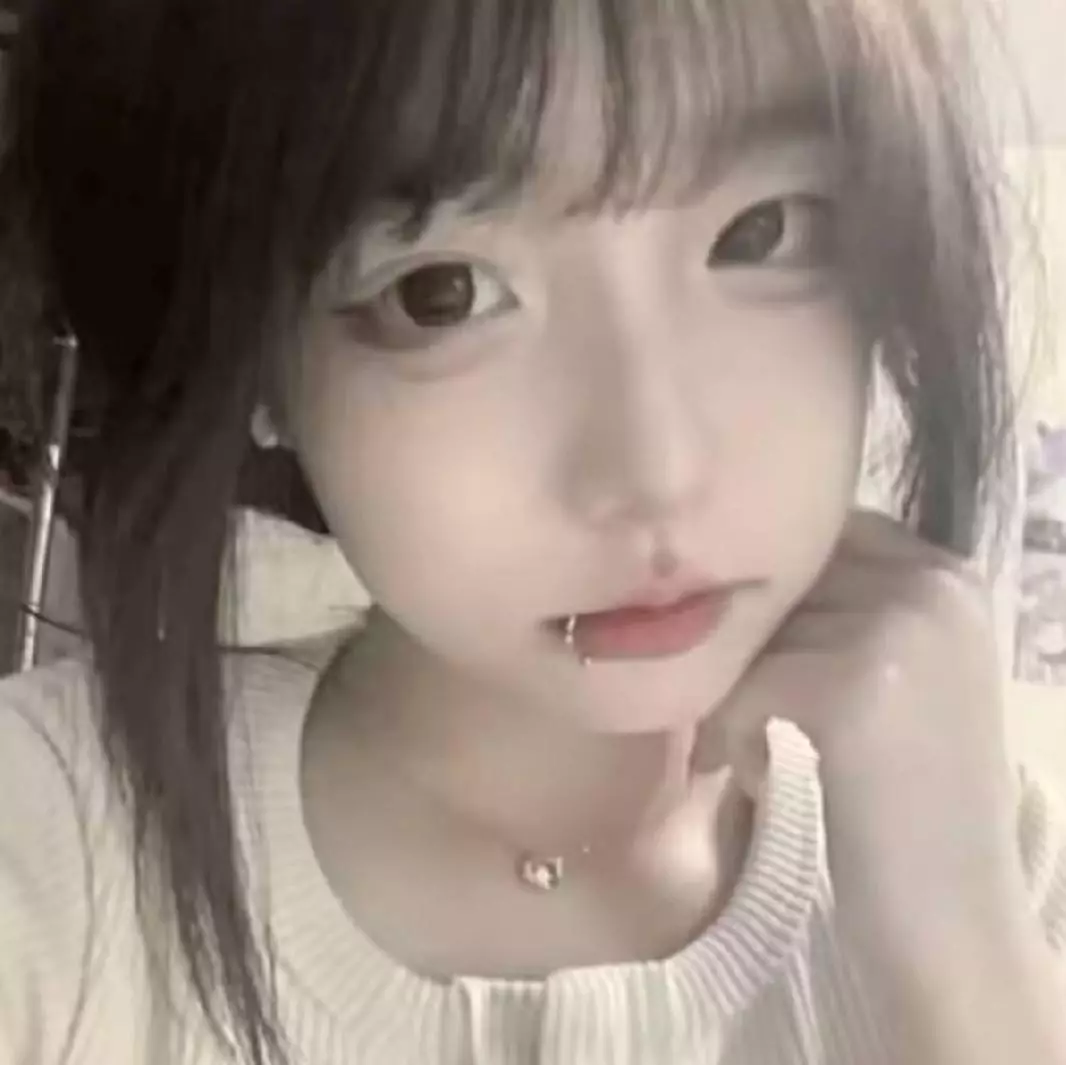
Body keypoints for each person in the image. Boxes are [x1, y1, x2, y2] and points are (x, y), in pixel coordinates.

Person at [0, 0, 1063, 1063]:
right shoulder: (45, 854)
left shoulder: (993, 853)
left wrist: (960, 949)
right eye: (442, 293)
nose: (656, 471)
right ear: (252, 359)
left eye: (764, 230)